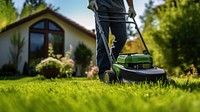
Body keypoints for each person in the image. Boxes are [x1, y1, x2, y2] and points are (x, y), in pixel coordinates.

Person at [88, 0, 136, 81]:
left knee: (122, 38)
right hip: (101, 5)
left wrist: (131, 7)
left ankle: (113, 60)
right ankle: (103, 73)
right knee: (103, 40)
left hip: (118, 7)